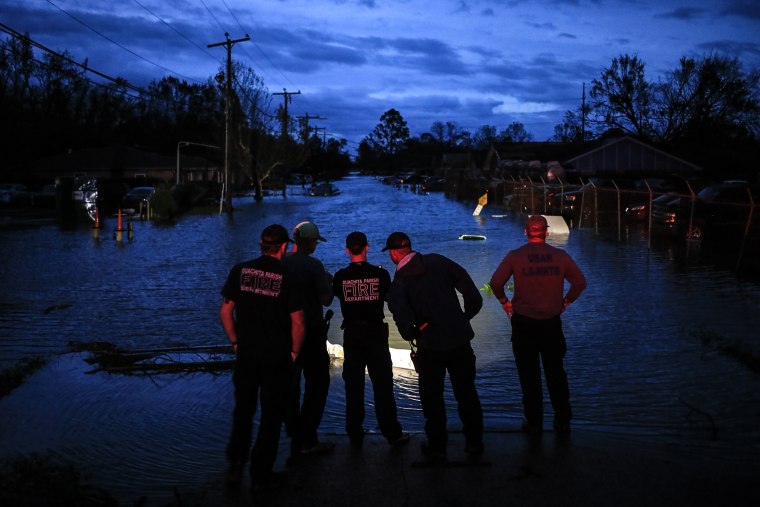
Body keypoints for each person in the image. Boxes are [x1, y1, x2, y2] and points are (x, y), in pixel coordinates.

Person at [219, 224, 306, 492]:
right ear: (282, 247)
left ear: (260, 244)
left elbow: (225, 312)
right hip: (276, 356)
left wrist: (235, 341)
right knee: (271, 414)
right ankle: (261, 471)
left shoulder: (240, 271)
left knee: (243, 411)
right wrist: (294, 351)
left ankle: (235, 466)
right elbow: (299, 322)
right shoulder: (288, 275)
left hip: (246, 354)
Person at [384, 231, 484, 460]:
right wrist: (467, 314)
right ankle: (474, 442)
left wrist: (412, 333)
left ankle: (437, 446)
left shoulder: (399, 281)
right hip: (459, 339)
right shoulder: (438, 260)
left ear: (393, 253)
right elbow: (466, 283)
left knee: (432, 397)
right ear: (410, 247)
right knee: (467, 392)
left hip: (430, 345)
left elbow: (400, 315)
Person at [489, 215, 587, 436]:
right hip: (551, 324)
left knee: (529, 375)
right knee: (556, 372)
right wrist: (566, 301)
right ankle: (562, 420)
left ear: (525, 232)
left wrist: (505, 302)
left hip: (524, 324)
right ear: (546, 232)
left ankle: (534, 422)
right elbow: (580, 282)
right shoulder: (560, 256)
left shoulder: (515, 256)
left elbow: (495, 283)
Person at [332, 231, 410, 449]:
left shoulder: (340, 277)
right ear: (367, 248)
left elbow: (333, 296)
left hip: (353, 336)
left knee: (353, 386)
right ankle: (392, 433)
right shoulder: (381, 275)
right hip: (376, 335)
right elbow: (393, 300)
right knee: (383, 385)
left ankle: (355, 434)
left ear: (347, 250)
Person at [282, 220, 336, 455]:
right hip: (311, 332)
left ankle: (294, 435)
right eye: (315, 240)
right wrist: (330, 282)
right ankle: (308, 437)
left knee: (290, 387)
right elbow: (326, 300)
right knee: (318, 385)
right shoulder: (314, 266)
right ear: (310, 241)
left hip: (285, 334)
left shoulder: (280, 263)